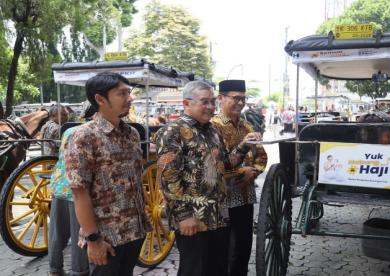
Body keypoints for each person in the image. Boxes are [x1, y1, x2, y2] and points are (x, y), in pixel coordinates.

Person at [154, 80, 261, 276]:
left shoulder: (212, 131)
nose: (211, 107)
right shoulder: (172, 132)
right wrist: (183, 216)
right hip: (193, 220)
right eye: (204, 102)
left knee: (218, 268)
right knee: (195, 270)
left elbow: (225, 164)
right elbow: (168, 179)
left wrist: (244, 145)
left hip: (219, 216)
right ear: (187, 103)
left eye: (212, 101)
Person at [64, 72, 152, 276]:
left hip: (134, 232)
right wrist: (93, 240)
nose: (130, 98)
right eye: (122, 93)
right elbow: (79, 192)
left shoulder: (131, 134)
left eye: (129, 92)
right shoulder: (84, 136)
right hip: (107, 238)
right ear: (100, 99)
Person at [212, 80, 268, 276]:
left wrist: (254, 171)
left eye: (243, 99)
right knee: (224, 249)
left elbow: (261, 155)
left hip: (245, 195)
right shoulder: (213, 126)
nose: (240, 103)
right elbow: (215, 164)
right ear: (221, 98)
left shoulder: (246, 125)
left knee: (243, 247)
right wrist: (239, 173)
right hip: (222, 197)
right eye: (236, 98)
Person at [48, 103, 96, 276]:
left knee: (56, 234)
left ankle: (54, 269)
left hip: (59, 185)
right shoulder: (92, 133)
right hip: (78, 190)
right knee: (79, 235)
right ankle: (79, 271)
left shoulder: (68, 131)